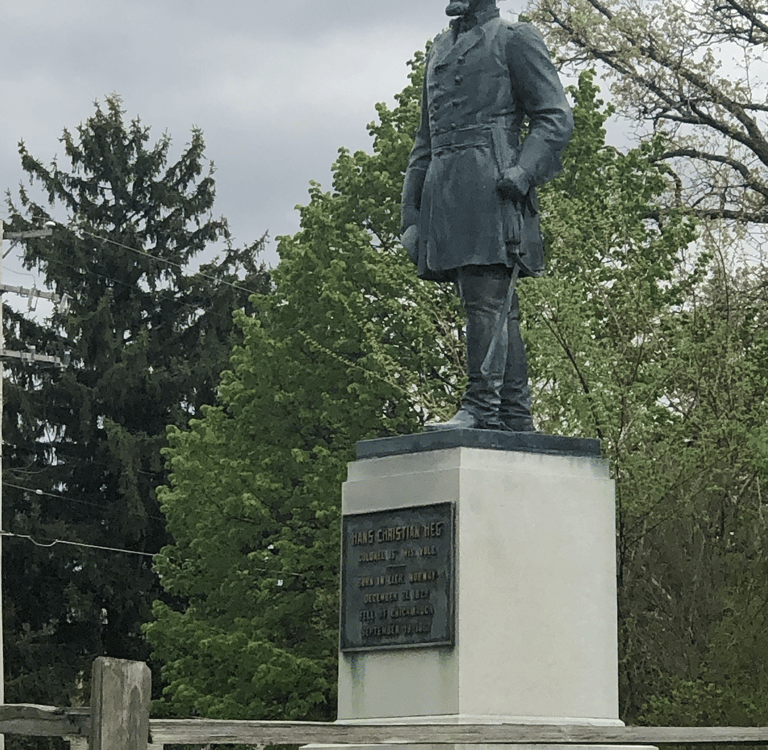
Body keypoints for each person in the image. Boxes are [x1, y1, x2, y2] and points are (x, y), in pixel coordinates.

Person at [401, 0, 573, 431]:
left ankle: (481, 405)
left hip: (493, 184)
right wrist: (410, 214)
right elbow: (425, 139)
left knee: (485, 298)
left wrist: (524, 169)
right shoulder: (438, 48)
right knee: (491, 304)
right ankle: (514, 415)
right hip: (446, 189)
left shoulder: (515, 39)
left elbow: (554, 117)